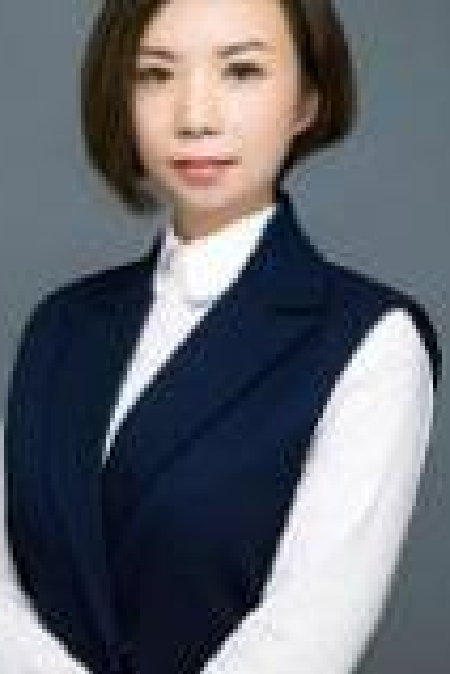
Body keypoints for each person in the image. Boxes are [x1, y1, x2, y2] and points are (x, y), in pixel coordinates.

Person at [1, 0, 442, 673]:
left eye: (241, 71)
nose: (195, 116)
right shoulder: (61, 324)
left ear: (307, 101)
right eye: (155, 74)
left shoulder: (373, 343)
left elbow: (306, 639)